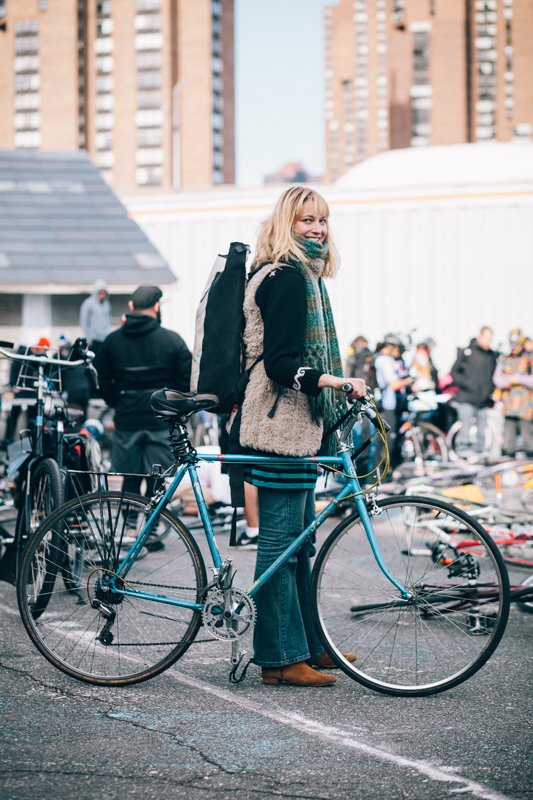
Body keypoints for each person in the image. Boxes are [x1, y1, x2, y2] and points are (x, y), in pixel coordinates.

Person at [231, 186, 365, 688]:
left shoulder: (295, 274)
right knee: (282, 544)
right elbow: (282, 363)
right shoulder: (287, 278)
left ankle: (309, 646)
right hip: (278, 427)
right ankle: (279, 658)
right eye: (307, 220)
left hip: (290, 425)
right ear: (286, 223)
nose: (317, 229)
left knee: (299, 544)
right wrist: (334, 380)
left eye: (323, 220)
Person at [95, 285, 192, 546]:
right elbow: (185, 382)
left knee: (128, 476)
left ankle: (126, 528)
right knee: (158, 477)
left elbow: (102, 381)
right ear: (157, 307)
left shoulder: (112, 341)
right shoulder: (172, 340)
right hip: (160, 420)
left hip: (127, 418)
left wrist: (118, 401)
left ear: (130, 306)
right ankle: (151, 530)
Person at [451, 326, 498, 456]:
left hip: (483, 399)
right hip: (466, 397)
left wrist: (490, 390)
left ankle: (481, 452)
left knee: (482, 429)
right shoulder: (467, 352)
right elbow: (454, 372)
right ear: (480, 337)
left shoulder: (491, 355)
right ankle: (463, 452)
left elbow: (493, 376)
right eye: (486, 338)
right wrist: (468, 384)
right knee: (465, 427)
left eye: (490, 339)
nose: (488, 341)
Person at [373, 335, 413, 469]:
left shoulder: (379, 359)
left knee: (385, 441)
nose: (399, 354)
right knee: (386, 442)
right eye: (398, 350)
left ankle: (383, 476)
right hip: (386, 406)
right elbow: (394, 384)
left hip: (385, 405)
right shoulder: (385, 360)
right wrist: (410, 380)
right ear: (391, 347)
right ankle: (380, 479)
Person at [493, 329, 533, 457]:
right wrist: (505, 382)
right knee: (509, 442)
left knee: (528, 440)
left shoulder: (529, 359)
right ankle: (509, 471)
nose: (514, 348)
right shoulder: (504, 359)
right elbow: (496, 378)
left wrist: (519, 379)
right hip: (509, 407)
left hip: (525, 407)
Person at [80, 279, 112, 357]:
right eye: (101, 293)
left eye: (104, 293)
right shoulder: (88, 304)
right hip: (94, 341)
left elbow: (108, 321)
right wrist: (88, 338)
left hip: (105, 340)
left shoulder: (107, 304)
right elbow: (84, 322)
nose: (102, 295)